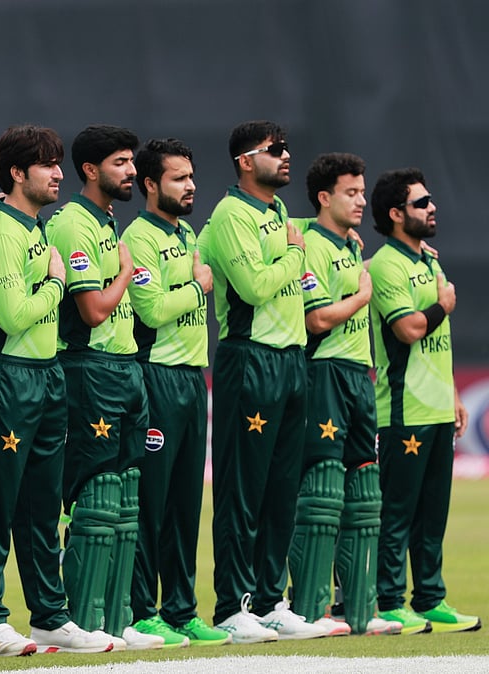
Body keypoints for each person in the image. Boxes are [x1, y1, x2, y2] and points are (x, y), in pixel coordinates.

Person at [0, 124, 111, 656]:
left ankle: (50, 616)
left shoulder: (37, 227)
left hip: (47, 376)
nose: (58, 173)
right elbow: (13, 314)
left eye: (57, 163)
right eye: (47, 164)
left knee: (43, 505)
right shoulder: (2, 232)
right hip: (7, 376)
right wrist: (55, 283)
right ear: (16, 173)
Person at [197, 120, 325, 643]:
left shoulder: (276, 212)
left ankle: (271, 600)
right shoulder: (232, 214)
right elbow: (251, 288)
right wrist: (295, 254)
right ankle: (232, 604)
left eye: (287, 147)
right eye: (275, 150)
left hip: (291, 361)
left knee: (281, 491)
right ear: (246, 161)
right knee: (242, 490)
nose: (287, 155)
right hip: (250, 360)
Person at [47, 125, 160, 651]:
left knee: (125, 497)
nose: (131, 171)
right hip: (89, 369)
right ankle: (80, 620)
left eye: (131, 161)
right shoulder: (71, 223)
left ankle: (116, 620)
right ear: (90, 170)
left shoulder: (107, 222)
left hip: (125, 366)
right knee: (94, 498)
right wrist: (125, 274)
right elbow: (92, 310)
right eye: (120, 162)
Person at [285, 153, 406, 638]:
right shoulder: (311, 243)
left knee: (364, 494)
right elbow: (315, 320)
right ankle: (312, 608)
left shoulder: (350, 247)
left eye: (361, 192)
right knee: (322, 493)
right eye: (350, 193)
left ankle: (360, 609)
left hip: (358, 376)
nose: (360, 201)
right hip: (325, 374)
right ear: (323, 197)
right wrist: (361, 297)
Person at [121, 138, 230, 647]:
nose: (190, 186)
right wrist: (198, 287)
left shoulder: (187, 233)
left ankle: (182, 609)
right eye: (178, 178)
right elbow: (151, 310)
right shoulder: (139, 236)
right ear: (150, 184)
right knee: (153, 501)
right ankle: (144, 611)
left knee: (187, 503)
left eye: (191, 177)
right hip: (158, 376)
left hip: (193, 376)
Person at [368, 168, 481, 634]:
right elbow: (410, 329)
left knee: (433, 513)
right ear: (396, 214)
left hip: (435, 407)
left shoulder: (429, 263)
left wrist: (453, 392)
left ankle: (431, 597)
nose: (432, 207)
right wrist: (443, 307)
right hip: (402, 411)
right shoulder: (386, 265)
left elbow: (439, 342)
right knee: (398, 513)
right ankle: (390, 600)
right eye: (421, 202)